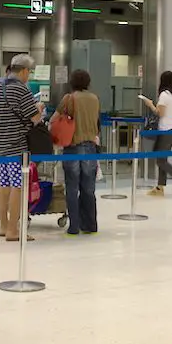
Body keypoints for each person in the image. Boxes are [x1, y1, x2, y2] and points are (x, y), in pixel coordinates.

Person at [0, 54, 44, 241]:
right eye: (28, 72)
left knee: (4, 183)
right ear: (23, 71)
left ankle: (3, 226)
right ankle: (14, 230)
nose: (28, 76)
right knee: (18, 186)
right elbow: (35, 119)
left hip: (2, 144)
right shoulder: (22, 91)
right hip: (18, 145)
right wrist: (39, 109)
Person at [58, 69, 101, 236]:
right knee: (88, 189)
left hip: (72, 147)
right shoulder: (95, 99)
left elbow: (56, 118)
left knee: (72, 187)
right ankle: (90, 225)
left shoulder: (69, 98)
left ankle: (74, 226)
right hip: (90, 147)